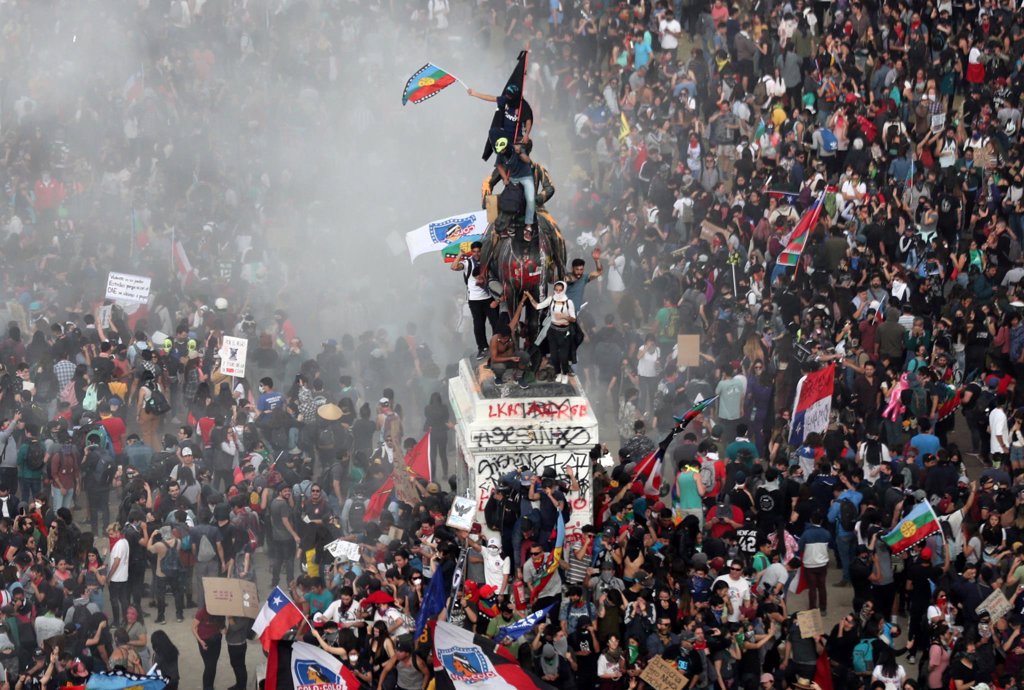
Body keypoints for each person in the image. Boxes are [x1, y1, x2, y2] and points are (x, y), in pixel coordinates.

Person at [450, 241, 499, 359]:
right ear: (471, 252)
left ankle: (496, 345)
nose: (476, 254)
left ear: (482, 251)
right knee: (478, 324)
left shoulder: (487, 261)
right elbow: (454, 267)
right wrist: (460, 254)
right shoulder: (467, 263)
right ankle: (482, 348)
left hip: (489, 297)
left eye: (478, 251)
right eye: (474, 251)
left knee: (495, 322)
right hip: (474, 300)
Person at [192, 607, 224, 690]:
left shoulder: (219, 611)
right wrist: (201, 641)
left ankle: (210, 685)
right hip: (205, 642)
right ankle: (207, 687)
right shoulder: (202, 612)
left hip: (216, 640)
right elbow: (193, 627)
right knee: (209, 666)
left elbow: (222, 628)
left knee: (213, 665)